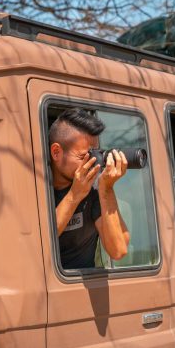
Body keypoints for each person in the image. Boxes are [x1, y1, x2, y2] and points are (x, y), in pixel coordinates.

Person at [49, 108, 130, 269]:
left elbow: (118, 251)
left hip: (85, 288)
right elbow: (40, 241)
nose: (93, 162)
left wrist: (106, 189)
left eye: (95, 154)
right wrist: (74, 195)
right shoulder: (36, 185)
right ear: (56, 152)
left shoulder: (93, 189)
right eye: (84, 156)